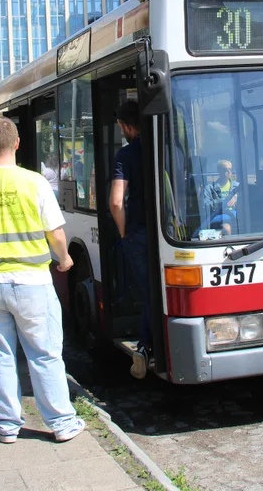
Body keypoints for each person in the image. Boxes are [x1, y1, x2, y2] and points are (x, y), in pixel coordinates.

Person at [0, 116, 83, 444]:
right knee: (44, 353)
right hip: (31, 282)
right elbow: (55, 233)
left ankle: (7, 425)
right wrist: (64, 259)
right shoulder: (35, 182)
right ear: (17, 143)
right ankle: (62, 422)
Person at [109, 100, 151, 379]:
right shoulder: (172, 145)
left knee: (147, 291)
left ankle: (146, 347)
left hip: (138, 233)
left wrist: (124, 233)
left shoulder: (125, 154)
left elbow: (115, 202)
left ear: (125, 126)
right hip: (170, 230)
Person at [202, 160, 239, 235]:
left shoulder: (237, 186)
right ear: (219, 171)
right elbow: (206, 206)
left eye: (230, 169)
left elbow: (247, 202)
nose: (229, 172)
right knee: (226, 228)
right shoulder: (210, 188)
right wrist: (222, 202)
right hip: (219, 216)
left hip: (237, 216)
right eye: (225, 169)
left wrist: (237, 199)